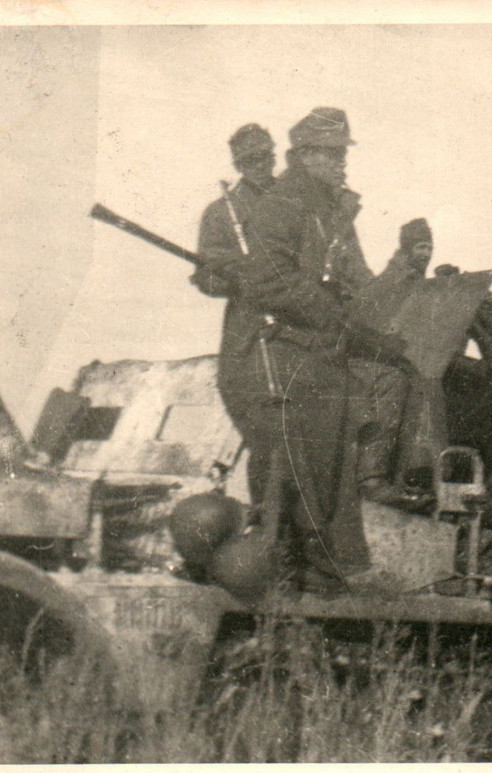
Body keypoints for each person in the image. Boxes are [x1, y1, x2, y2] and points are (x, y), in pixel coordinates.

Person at [215, 107, 373, 591]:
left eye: (343, 153)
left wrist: (382, 307)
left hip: (324, 351)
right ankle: (298, 567)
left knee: (334, 463)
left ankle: (328, 567)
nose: (342, 162)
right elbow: (269, 280)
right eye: (333, 154)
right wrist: (330, 313)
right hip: (288, 353)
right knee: (301, 467)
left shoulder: (330, 209)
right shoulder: (283, 204)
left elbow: (357, 276)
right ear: (304, 156)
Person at [192, 123, 277, 503]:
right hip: (248, 330)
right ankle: (264, 516)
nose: (261, 165)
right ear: (239, 164)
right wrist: (236, 276)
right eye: (251, 159)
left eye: (266, 157)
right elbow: (207, 278)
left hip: (297, 325)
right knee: (263, 430)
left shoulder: (291, 203)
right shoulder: (220, 213)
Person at [347, 219, 442, 503]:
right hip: (370, 361)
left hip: (395, 359)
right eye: (421, 247)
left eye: (430, 248)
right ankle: (374, 477)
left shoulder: (416, 280)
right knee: (396, 383)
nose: (426, 254)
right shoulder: (394, 279)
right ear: (407, 248)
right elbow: (365, 322)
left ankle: (414, 476)